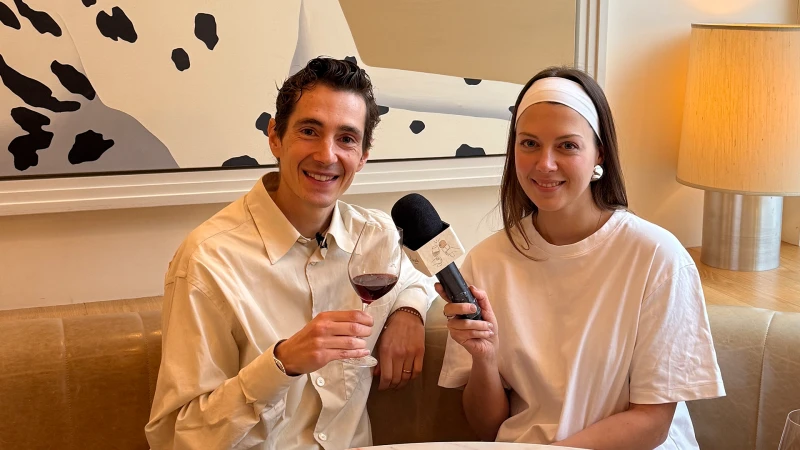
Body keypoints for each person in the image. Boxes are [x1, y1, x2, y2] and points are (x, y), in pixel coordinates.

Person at [146, 57, 436, 450]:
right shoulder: (208, 260)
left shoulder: (374, 234)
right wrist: (282, 363)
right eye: (310, 131)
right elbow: (177, 437)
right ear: (275, 137)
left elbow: (419, 276)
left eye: (346, 139)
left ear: (363, 155)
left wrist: (408, 312)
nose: (326, 155)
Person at [437, 67, 725, 449]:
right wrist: (485, 359)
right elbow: (488, 430)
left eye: (567, 146)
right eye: (529, 143)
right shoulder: (487, 262)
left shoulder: (657, 257)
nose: (545, 164)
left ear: (599, 153)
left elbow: (652, 423)